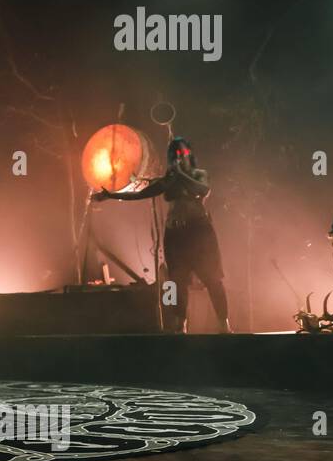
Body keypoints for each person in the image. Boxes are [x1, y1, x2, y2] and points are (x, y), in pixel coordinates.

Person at [92, 136, 231, 332]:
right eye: (175, 155)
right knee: (175, 282)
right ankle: (179, 323)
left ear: (190, 154)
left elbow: (203, 189)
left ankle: (223, 323)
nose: (179, 157)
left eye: (182, 153)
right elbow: (141, 194)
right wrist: (111, 195)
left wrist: (179, 173)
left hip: (199, 233)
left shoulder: (200, 174)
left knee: (212, 278)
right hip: (175, 235)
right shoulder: (168, 181)